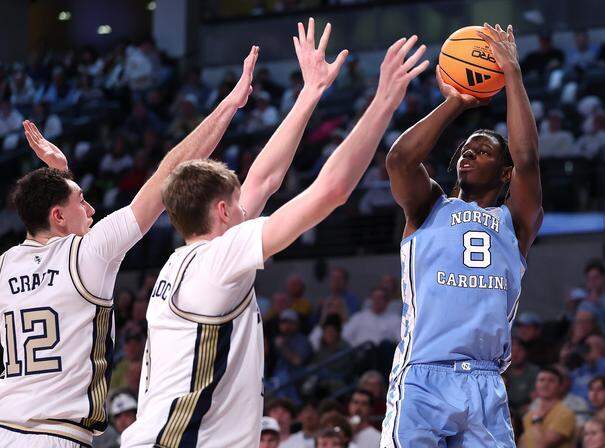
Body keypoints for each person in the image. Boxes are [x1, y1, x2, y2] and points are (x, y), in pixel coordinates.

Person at [121, 20, 428, 448]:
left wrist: (310, 93)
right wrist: (383, 103)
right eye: (237, 200)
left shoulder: (183, 260)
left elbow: (264, 179)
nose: (248, 202)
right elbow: (331, 192)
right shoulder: (218, 261)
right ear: (223, 211)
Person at [0, 45, 260, 448]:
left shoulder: (6, 265)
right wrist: (228, 104)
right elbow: (168, 173)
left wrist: (59, 173)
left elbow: (45, 220)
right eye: (81, 201)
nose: (91, 208)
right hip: (56, 435)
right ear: (57, 216)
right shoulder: (88, 255)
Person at [381, 23, 543, 447]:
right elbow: (399, 159)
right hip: (423, 376)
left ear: (504, 173)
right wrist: (456, 102)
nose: (467, 153)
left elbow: (527, 159)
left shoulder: (517, 221)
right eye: (463, 150)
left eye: (482, 150)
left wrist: (513, 76)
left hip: (485, 382)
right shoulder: (429, 206)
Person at [520, 367, 576, 448]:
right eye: (541, 380)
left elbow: (542, 445)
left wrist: (537, 420)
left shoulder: (565, 413)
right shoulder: (529, 415)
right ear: (536, 384)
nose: (545, 384)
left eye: (551, 380)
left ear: (560, 386)